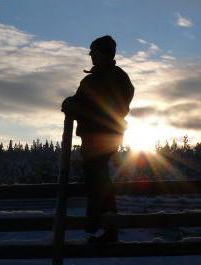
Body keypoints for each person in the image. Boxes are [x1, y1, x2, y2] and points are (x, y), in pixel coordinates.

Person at [61, 35, 134, 244]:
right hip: (101, 136)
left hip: (100, 137)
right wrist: (71, 104)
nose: (91, 55)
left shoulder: (106, 79)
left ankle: (102, 227)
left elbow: (105, 107)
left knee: (97, 177)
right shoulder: (106, 78)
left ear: (103, 53)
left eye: (93, 51)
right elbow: (83, 102)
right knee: (96, 176)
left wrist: (76, 108)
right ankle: (100, 225)